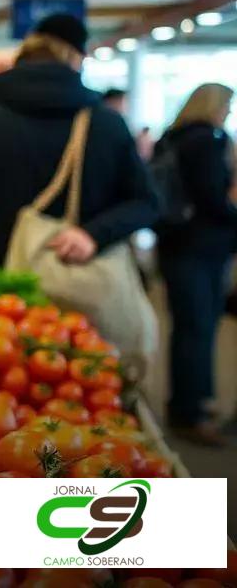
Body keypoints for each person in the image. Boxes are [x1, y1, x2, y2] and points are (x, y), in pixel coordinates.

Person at [0, 13, 158, 274]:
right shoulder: (105, 123)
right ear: (77, 60)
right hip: (75, 277)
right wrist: (93, 234)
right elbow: (146, 202)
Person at [155, 83, 237, 446]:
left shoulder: (172, 139)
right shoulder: (208, 141)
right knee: (198, 330)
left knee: (187, 329)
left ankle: (185, 406)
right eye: (227, 105)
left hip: (176, 245)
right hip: (201, 248)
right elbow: (213, 199)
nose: (229, 113)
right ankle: (192, 412)